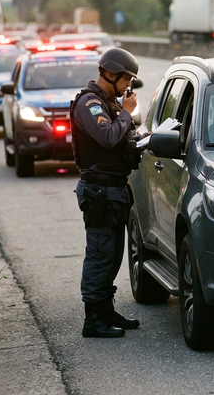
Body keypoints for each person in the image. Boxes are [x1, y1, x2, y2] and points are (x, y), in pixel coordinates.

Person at [70, 47, 143, 338]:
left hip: (114, 190)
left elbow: (123, 137)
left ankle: (107, 310)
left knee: (113, 257)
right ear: (110, 74)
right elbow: (108, 137)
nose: (129, 86)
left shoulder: (109, 103)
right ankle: (93, 320)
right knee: (99, 256)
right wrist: (126, 113)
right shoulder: (90, 104)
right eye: (126, 79)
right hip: (99, 192)